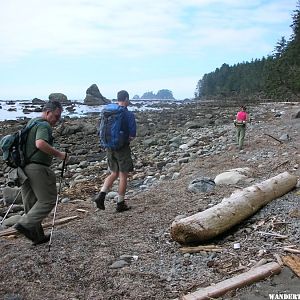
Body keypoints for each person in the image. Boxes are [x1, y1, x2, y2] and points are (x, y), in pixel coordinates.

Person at [14, 101, 67, 245]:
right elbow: (40, 144)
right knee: (48, 199)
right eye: (56, 116)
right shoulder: (44, 125)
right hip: (37, 168)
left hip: (23, 168)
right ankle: (24, 224)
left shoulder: (31, 123)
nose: (57, 120)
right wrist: (59, 154)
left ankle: (37, 236)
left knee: (30, 203)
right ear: (48, 112)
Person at [94, 90, 136, 212]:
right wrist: (124, 140)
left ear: (118, 99)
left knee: (113, 173)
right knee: (123, 175)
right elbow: (132, 135)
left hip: (109, 146)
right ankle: (120, 203)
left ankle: (101, 195)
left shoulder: (108, 112)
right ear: (127, 99)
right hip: (122, 148)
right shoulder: (128, 114)